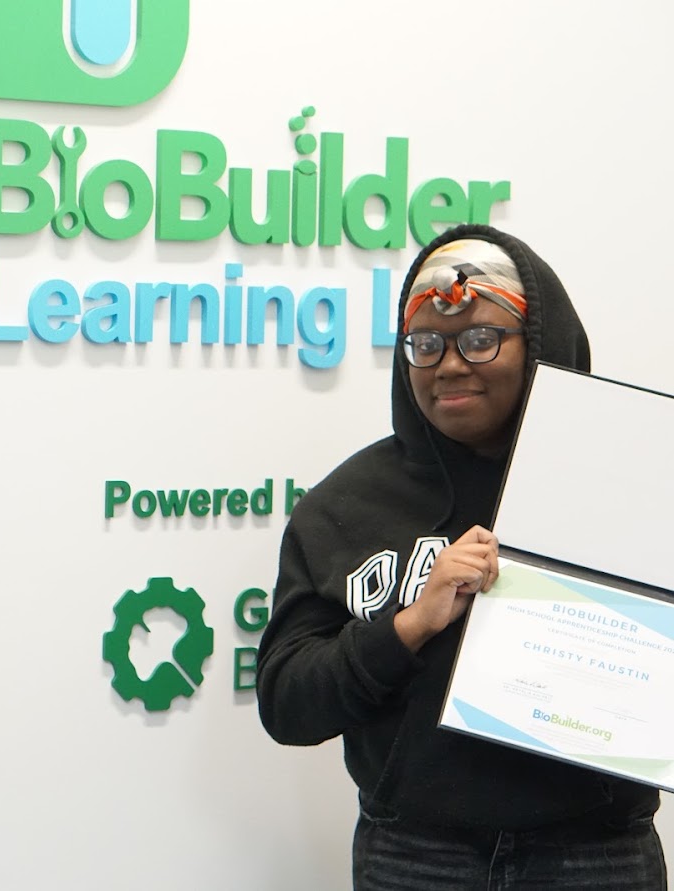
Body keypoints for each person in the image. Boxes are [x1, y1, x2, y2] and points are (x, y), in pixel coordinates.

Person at [255, 223, 665, 889]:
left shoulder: (631, 490)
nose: (447, 364)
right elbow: (285, 702)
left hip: (594, 850)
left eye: (479, 338)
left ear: (535, 344)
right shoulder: (341, 508)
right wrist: (409, 625)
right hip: (415, 853)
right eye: (425, 344)